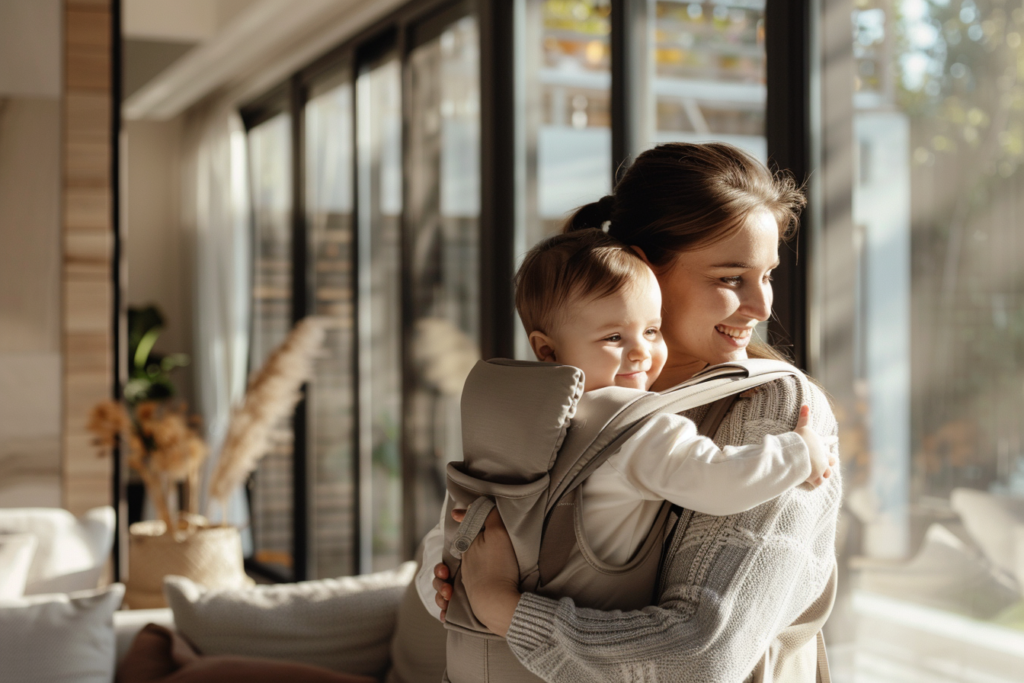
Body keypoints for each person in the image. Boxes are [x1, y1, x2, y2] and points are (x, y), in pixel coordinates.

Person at [433, 142, 842, 682]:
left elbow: (701, 657)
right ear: (646, 266)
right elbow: (453, 548)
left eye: (766, 275)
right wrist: (459, 565)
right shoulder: (580, 391)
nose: (763, 307)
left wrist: (502, 606)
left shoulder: (776, 412)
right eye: (730, 277)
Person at [417, 227, 833, 619]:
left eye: (652, 330)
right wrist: (799, 453)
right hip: (581, 643)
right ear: (546, 349)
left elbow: (452, 523)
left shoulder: (507, 421)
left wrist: (436, 579)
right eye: (614, 338)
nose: (640, 352)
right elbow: (716, 480)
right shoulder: (633, 425)